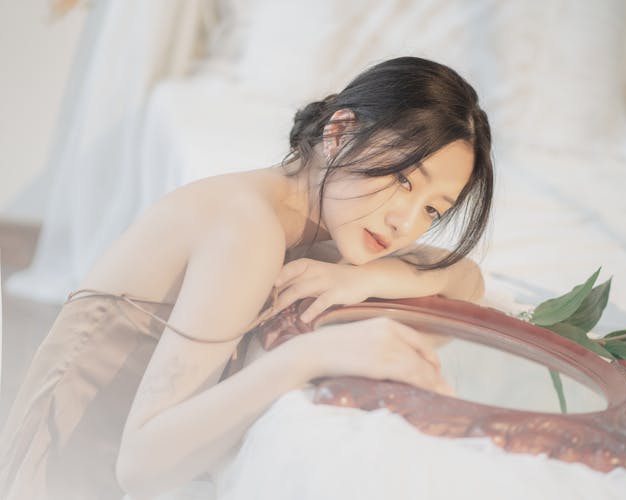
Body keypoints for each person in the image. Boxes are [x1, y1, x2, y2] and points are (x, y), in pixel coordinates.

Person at [0, 56, 494, 499]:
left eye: (432, 209)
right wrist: (308, 354)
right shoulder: (248, 229)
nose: (405, 222)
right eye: (403, 178)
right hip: (66, 477)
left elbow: (467, 278)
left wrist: (361, 280)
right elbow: (141, 467)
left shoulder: (316, 217)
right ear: (340, 133)